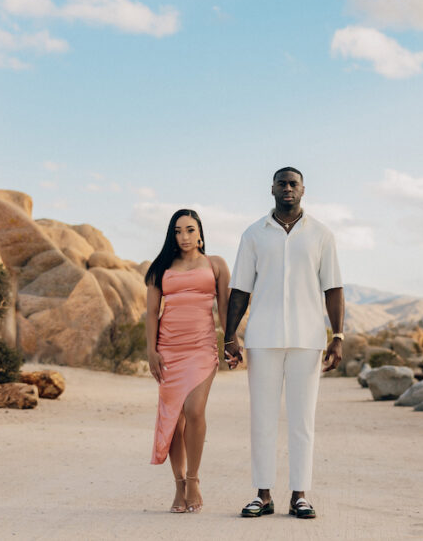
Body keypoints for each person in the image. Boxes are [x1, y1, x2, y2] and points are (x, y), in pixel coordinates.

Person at [224, 167, 344, 520]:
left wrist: (337, 336)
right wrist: (230, 336)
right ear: (271, 189)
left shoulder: (322, 235)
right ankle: (262, 495)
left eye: (294, 183)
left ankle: (299, 495)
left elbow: (333, 288)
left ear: (303, 190)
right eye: (282, 183)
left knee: (302, 419)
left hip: (308, 340)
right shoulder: (253, 235)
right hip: (262, 338)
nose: (287, 188)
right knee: (261, 418)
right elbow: (240, 290)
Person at [145, 209, 230, 514]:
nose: (184, 237)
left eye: (190, 230)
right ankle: (179, 485)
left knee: (194, 410)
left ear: (200, 233)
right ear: (172, 234)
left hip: (201, 348)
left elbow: (224, 309)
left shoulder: (216, 265)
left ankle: (193, 479)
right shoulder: (160, 269)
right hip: (169, 350)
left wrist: (232, 341)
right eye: (178, 231)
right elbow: (151, 313)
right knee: (173, 422)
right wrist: (151, 352)